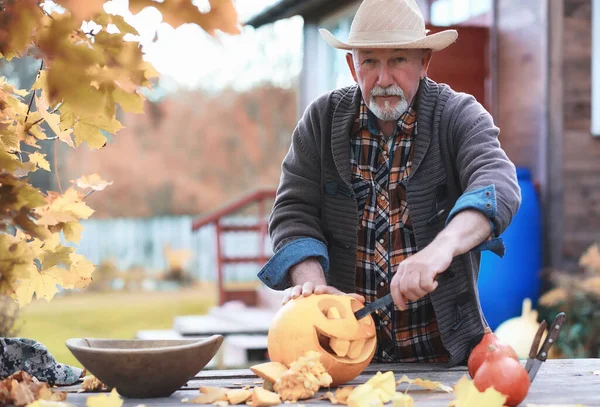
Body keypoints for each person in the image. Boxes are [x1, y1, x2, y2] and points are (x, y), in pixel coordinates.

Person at [257, 0, 521, 366]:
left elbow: (498, 184)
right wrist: (314, 285)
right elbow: (292, 210)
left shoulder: (458, 115)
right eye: (369, 61)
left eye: (398, 59)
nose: (383, 80)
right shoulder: (321, 120)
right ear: (353, 66)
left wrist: (440, 249)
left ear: (424, 62)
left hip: (446, 357)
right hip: (342, 356)